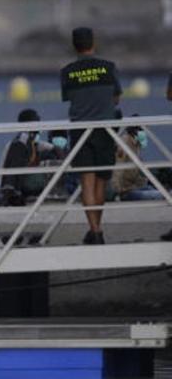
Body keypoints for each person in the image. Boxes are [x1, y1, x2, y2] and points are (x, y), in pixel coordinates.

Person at [60, 27, 122, 245]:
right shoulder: (109, 68)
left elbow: (69, 98)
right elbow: (116, 99)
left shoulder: (67, 71)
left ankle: (94, 231)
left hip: (80, 130)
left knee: (87, 182)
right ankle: (97, 229)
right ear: (93, 43)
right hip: (105, 130)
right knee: (101, 184)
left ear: (74, 45)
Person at [0, 109, 58, 205]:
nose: (40, 123)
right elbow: (12, 171)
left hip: (22, 180)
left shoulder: (31, 141)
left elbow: (52, 148)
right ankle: (13, 196)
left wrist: (59, 152)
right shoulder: (19, 143)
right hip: (12, 185)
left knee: (49, 155)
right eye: (37, 121)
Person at [111, 122, 165, 201]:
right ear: (136, 132)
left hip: (135, 186)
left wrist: (143, 181)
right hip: (126, 190)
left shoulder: (136, 145)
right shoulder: (124, 143)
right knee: (159, 195)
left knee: (160, 191)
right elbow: (118, 168)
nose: (145, 134)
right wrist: (117, 190)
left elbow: (135, 171)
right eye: (143, 131)